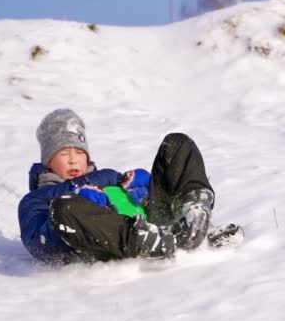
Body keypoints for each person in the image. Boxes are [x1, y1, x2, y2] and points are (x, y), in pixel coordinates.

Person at [18, 108, 217, 263]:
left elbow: (155, 193)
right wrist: (80, 202)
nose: (73, 160)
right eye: (63, 153)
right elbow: (38, 242)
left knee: (176, 143)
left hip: (155, 223)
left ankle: (195, 216)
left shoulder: (109, 177)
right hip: (108, 244)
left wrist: (143, 187)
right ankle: (149, 241)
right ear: (47, 161)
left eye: (79, 152)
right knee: (64, 208)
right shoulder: (37, 199)